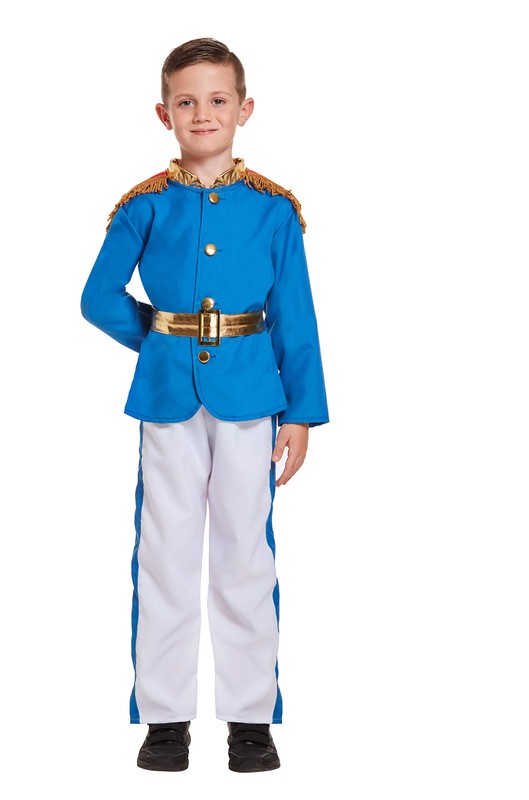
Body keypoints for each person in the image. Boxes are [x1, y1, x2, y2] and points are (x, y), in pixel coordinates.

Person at [81, 37, 329, 773]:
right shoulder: (144, 206)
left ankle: (251, 719)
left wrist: (302, 413)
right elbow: (98, 297)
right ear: (164, 114)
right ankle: (164, 719)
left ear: (244, 108)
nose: (202, 113)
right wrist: (165, 344)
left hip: (252, 399)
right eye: (186, 102)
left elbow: (295, 316)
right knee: (164, 553)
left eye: (218, 100)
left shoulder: (274, 210)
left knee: (245, 554)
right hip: (168, 402)